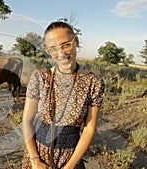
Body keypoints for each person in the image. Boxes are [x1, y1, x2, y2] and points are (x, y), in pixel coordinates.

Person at [21, 21, 105, 169]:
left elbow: (89, 129)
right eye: (53, 48)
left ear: (76, 41)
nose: (61, 53)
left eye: (66, 45)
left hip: (70, 159)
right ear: (48, 51)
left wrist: (69, 166)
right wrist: (35, 160)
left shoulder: (93, 82)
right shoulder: (40, 78)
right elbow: (27, 121)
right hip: (37, 157)